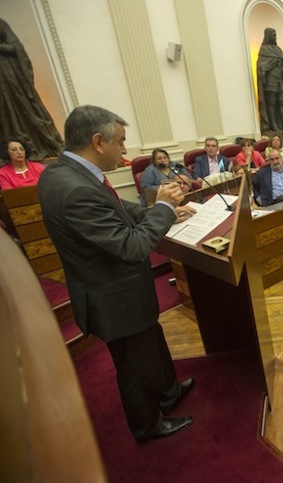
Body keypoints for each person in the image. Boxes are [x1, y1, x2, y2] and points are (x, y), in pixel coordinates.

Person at [37, 105, 196, 442]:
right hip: (113, 297)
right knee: (134, 367)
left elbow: (119, 209)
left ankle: (169, 392)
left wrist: (159, 213)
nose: (125, 150)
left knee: (151, 343)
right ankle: (147, 425)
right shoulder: (74, 189)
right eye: (121, 142)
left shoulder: (65, 171)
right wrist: (164, 209)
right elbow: (131, 247)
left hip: (121, 291)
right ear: (98, 141)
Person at [0, 19, 63, 160]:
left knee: (25, 111)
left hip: (10, 79)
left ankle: (37, 147)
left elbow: (16, 47)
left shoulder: (1, 24)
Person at [256, 28, 283, 132]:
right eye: (273, 35)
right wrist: (271, 63)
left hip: (281, 80)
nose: (275, 37)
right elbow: (262, 65)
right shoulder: (264, 49)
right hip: (270, 81)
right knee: (272, 102)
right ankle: (273, 124)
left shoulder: (278, 49)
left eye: (275, 35)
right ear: (268, 36)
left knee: (282, 101)